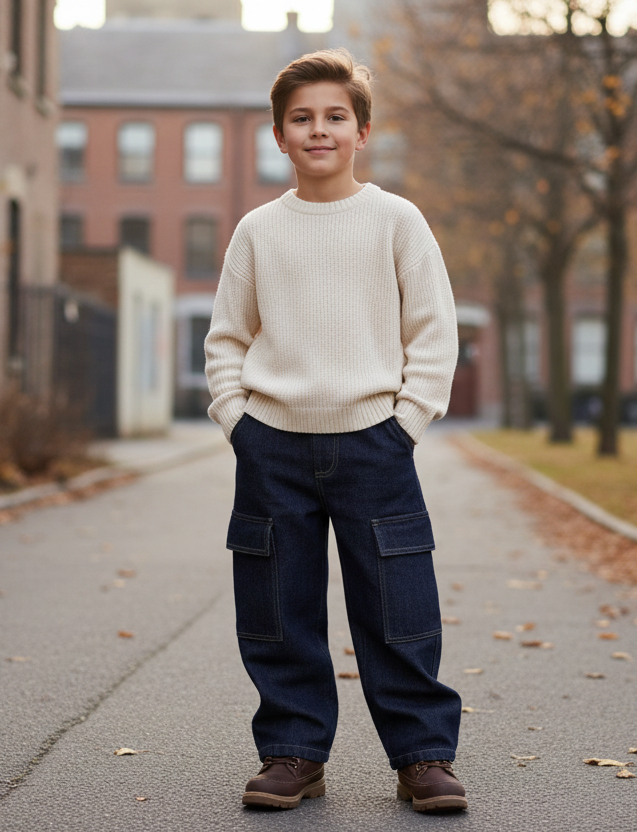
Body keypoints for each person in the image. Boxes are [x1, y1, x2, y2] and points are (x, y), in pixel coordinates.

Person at [204, 47, 465, 814]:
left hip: (375, 443)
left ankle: (423, 757)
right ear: (279, 136)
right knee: (277, 609)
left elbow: (433, 331)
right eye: (302, 119)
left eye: (335, 117)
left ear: (362, 132)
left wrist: (407, 422)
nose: (319, 130)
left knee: (398, 608)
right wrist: (238, 422)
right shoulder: (258, 231)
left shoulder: (396, 221)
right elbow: (227, 338)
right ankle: (293, 753)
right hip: (271, 446)